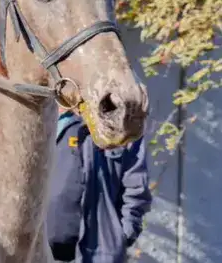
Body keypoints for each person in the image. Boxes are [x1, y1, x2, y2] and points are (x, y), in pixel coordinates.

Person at [47, 109, 152, 263]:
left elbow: (136, 188)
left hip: (97, 254)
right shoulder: (44, 118)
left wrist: (123, 236)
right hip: (40, 251)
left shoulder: (122, 124)